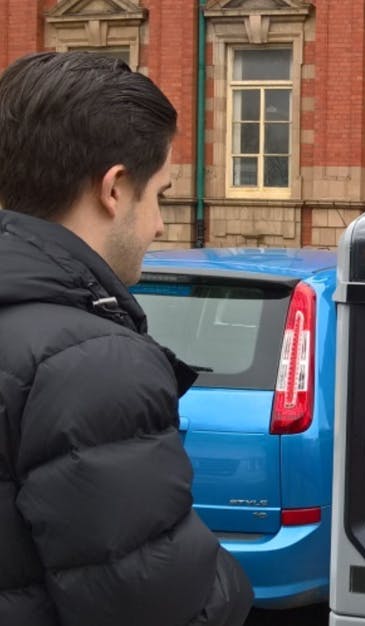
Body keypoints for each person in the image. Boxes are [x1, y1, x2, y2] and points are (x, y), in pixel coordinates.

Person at [0, 51, 253, 625]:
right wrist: (231, 588)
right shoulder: (95, 362)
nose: (162, 224)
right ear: (115, 189)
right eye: (161, 193)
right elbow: (157, 604)